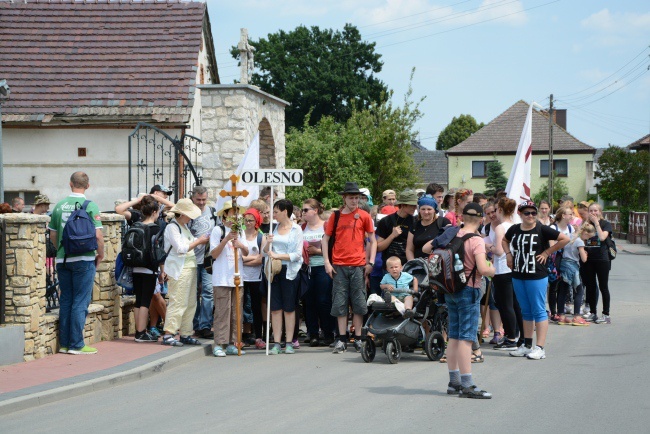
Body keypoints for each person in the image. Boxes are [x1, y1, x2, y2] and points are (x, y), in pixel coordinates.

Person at [503, 200, 569, 360]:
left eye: (533, 212)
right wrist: (508, 254)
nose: (531, 216)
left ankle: (540, 348)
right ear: (520, 214)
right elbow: (504, 240)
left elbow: (565, 239)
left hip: (536, 275)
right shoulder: (514, 229)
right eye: (527, 213)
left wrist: (547, 252)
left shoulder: (542, 229)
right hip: (518, 274)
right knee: (525, 310)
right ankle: (527, 345)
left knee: (538, 310)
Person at [49, 171, 104, 355]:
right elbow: (98, 236)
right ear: (88, 186)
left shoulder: (59, 206)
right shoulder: (91, 206)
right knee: (81, 301)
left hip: (63, 258)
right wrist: (100, 254)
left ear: (70, 183)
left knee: (66, 300)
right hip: (84, 258)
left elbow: (53, 234)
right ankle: (77, 344)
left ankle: (64, 344)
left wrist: (60, 250)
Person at [445, 203, 495, 399]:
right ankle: (467, 384)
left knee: (454, 336)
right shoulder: (476, 240)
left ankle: (453, 381)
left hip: (450, 288)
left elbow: (426, 247)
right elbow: (483, 269)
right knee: (466, 337)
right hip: (469, 289)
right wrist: (493, 270)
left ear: (462, 217)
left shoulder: (451, 233)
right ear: (481, 220)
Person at [322, 182, 377, 354]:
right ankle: (341, 338)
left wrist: (371, 262)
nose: (354, 201)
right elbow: (325, 238)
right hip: (339, 265)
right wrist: (327, 262)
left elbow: (372, 240)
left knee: (359, 302)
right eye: (351, 197)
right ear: (344, 198)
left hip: (359, 265)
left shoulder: (364, 216)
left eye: (357, 197)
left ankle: (359, 338)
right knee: (340, 302)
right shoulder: (335, 216)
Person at [161, 198, 210, 347]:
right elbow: (181, 248)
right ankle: (169, 333)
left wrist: (200, 240)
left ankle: (186, 332)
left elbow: (188, 242)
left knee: (190, 303)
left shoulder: (184, 226)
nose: (191, 218)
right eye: (189, 215)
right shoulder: (172, 228)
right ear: (182, 214)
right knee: (178, 301)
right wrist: (198, 241)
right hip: (179, 269)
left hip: (190, 267)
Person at [263, 199, 303, 355]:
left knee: (289, 308)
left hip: (290, 272)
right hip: (274, 272)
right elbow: (266, 251)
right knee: (275, 308)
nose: (274, 215)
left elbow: (297, 254)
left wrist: (278, 255)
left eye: (276, 212)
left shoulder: (296, 229)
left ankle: (289, 342)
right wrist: (268, 244)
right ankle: (276, 342)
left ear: (285, 212)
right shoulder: (273, 228)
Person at [211, 201, 249, 357]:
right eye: (233, 212)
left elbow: (246, 253)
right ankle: (219, 343)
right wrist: (226, 239)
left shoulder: (241, 230)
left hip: (237, 277)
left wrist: (239, 244)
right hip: (221, 278)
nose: (235, 215)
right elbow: (213, 254)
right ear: (225, 214)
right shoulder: (217, 230)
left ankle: (234, 343)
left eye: (237, 212)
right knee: (222, 311)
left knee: (236, 312)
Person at [489, 197, 524, 351]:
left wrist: (487, 246)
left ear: (501, 210)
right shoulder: (517, 225)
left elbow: (498, 250)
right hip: (515, 269)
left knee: (505, 305)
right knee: (516, 304)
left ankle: (511, 337)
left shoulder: (501, 227)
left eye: (496, 209)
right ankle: (520, 336)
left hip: (503, 269)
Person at [301, 198, 336, 347]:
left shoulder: (326, 226)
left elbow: (334, 248)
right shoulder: (301, 228)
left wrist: (318, 251)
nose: (303, 213)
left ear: (315, 211)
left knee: (323, 300)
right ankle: (313, 333)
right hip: (307, 268)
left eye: (306, 210)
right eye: (302, 210)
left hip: (323, 266)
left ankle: (328, 332)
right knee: (309, 302)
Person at [187, 186, 217, 339]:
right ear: (193, 198)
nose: (201, 203)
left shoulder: (212, 213)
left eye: (204, 200)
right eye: (198, 200)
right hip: (191, 259)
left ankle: (205, 325)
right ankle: (196, 323)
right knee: (193, 294)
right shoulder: (188, 214)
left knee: (208, 291)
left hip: (207, 260)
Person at [131, 195, 161, 343]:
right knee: (145, 301)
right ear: (154, 211)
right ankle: (141, 333)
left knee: (138, 300)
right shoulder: (157, 228)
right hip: (149, 268)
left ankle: (139, 330)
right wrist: (162, 269)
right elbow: (159, 251)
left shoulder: (137, 225)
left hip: (136, 266)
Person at [582, 203, 613, 324]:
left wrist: (596, 223)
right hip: (589, 259)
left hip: (602, 259)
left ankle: (606, 314)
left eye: (595, 210)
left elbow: (601, 237)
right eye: (591, 211)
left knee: (603, 286)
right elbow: (583, 239)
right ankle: (593, 312)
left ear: (600, 212)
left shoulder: (606, 224)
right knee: (590, 286)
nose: (593, 213)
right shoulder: (586, 224)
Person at [556, 223, 591, 326]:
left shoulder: (569, 236)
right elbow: (584, 259)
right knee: (579, 290)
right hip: (573, 266)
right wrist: (585, 253)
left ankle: (561, 316)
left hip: (563, 264)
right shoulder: (579, 241)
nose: (587, 239)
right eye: (588, 237)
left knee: (563, 291)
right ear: (584, 233)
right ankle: (577, 317)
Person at [241, 208, 265, 348]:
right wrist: (251, 259)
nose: (248, 223)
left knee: (256, 307)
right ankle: (242, 335)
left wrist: (244, 260)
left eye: (251, 220)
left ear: (256, 221)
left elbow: (261, 260)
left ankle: (259, 336)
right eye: (246, 220)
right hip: (242, 277)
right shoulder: (240, 235)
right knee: (241, 306)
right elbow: (237, 259)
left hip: (256, 277)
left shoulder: (261, 237)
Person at [376, 189, 417, 267]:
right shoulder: (386, 221)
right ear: (403, 205)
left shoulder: (415, 221)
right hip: (390, 268)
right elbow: (378, 247)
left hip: (407, 267)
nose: (415, 208)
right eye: (412, 205)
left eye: (415, 205)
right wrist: (392, 236)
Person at [548, 206, 575, 322]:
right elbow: (551, 246)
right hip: (555, 259)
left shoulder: (571, 228)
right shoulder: (553, 227)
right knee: (553, 286)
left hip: (566, 259)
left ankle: (561, 312)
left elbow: (573, 244)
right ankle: (553, 312)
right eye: (570, 214)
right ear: (563, 215)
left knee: (564, 286)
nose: (572, 216)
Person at [406, 194, 451, 260]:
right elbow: (409, 249)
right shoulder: (415, 225)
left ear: (434, 210)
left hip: (437, 265)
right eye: (423, 209)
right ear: (419, 210)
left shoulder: (443, 222)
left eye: (429, 209)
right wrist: (413, 263)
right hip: (418, 265)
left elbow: (450, 240)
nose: (426, 212)